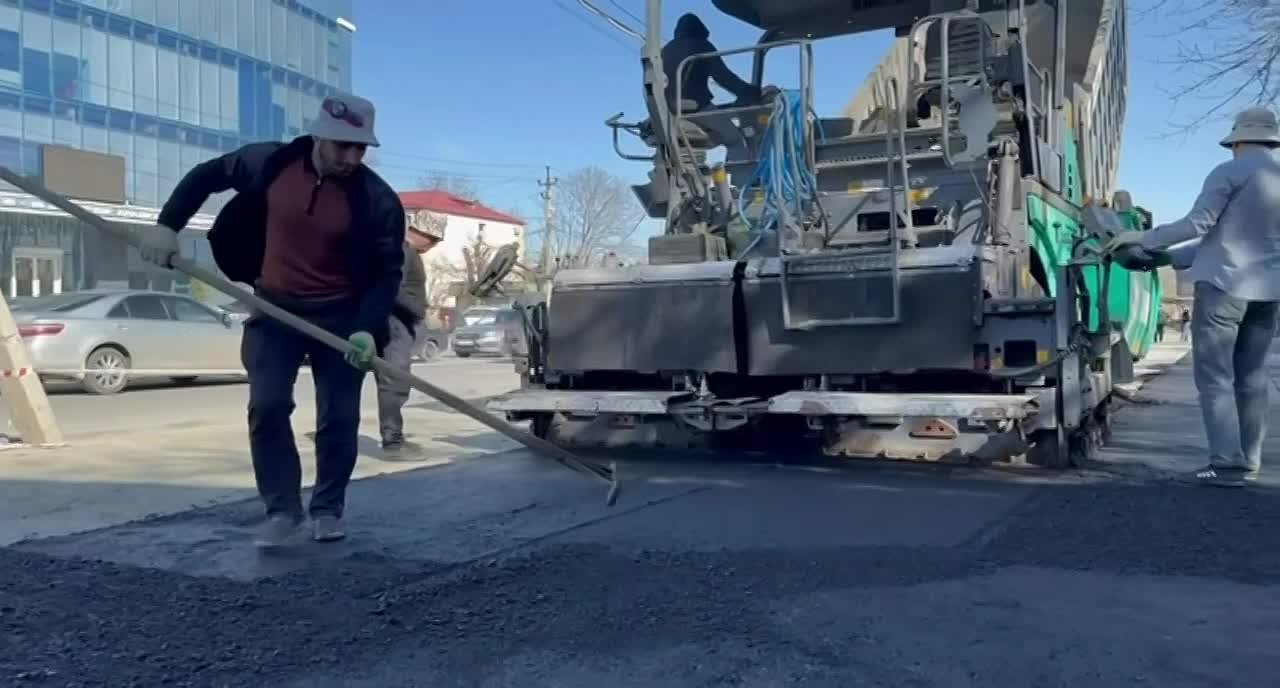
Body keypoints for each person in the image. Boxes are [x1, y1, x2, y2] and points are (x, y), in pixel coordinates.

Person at [140, 92, 406, 544]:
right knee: (267, 407)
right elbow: (207, 176)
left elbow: (387, 273)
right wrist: (169, 225)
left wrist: (366, 327)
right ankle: (282, 509)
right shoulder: (272, 163)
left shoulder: (377, 200)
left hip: (342, 317)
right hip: (274, 308)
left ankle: (327, 509)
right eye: (343, 145)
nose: (351, 157)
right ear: (319, 135)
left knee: (338, 418)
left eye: (360, 148)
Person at [1107, 106, 1280, 488]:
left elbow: (1198, 223)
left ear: (1237, 140)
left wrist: (1140, 239)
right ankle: (1248, 462)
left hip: (1224, 288)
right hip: (1269, 293)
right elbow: (1222, 240)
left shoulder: (1229, 171)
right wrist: (1168, 258)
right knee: (1252, 376)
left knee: (1216, 377)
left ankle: (1225, 465)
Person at [661, 13, 762, 153]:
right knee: (736, 138)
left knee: (716, 135)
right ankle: (743, 174)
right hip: (696, 106)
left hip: (667, 108)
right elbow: (723, 77)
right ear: (701, 30)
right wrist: (750, 91)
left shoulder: (664, 50)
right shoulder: (702, 46)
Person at [376, 229, 438, 454]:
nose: (434, 245)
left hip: (398, 321)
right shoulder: (403, 249)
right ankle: (392, 440)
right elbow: (394, 288)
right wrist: (419, 311)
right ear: (418, 232)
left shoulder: (404, 250)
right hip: (396, 322)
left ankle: (392, 436)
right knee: (396, 381)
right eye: (433, 239)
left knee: (395, 380)